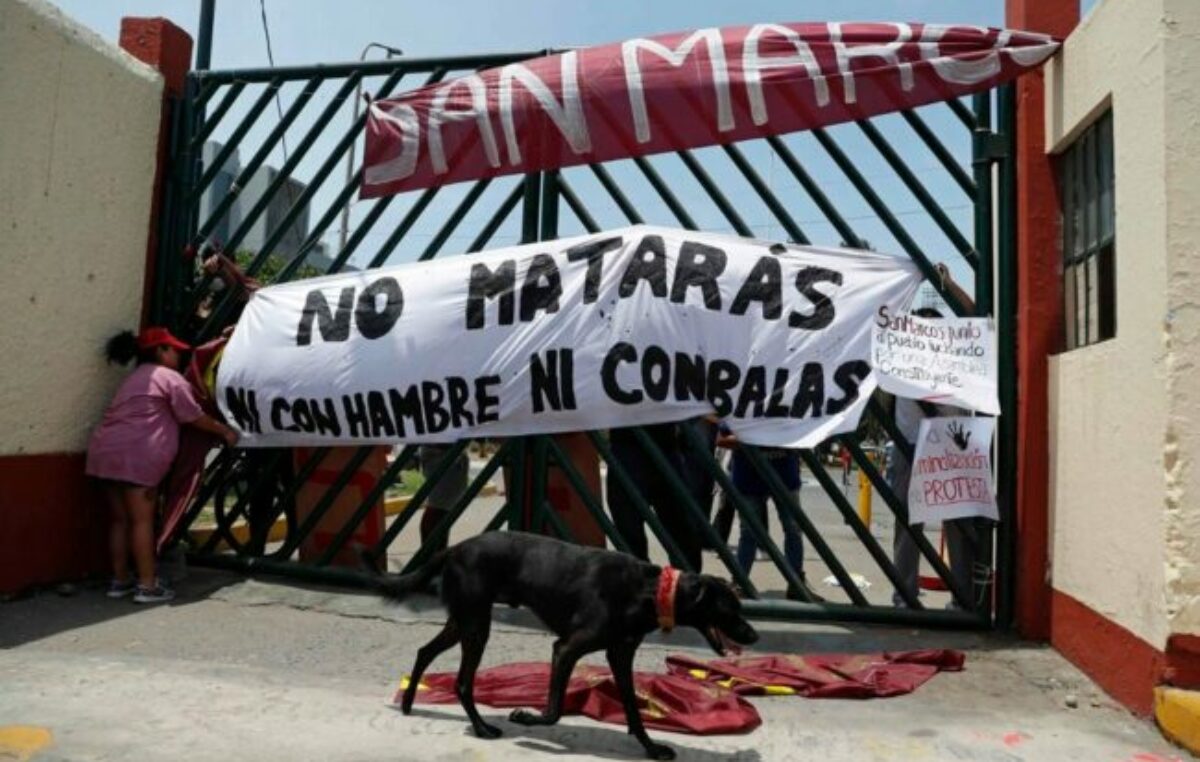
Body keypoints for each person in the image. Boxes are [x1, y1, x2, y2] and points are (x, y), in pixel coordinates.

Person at [87, 327, 239, 603]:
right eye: (174, 350)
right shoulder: (169, 377)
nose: (180, 355)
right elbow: (193, 416)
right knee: (141, 521)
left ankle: (120, 581)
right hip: (137, 457)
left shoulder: (133, 379)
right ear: (160, 351)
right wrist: (224, 430)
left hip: (104, 453)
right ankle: (147, 586)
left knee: (120, 521)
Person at [889, 263, 982, 609]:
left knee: (958, 525)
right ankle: (905, 594)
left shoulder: (957, 352)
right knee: (909, 525)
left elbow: (974, 317)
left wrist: (950, 284)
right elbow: (880, 317)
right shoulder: (900, 353)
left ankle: (962, 598)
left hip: (952, 440)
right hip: (913, 441)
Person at [717, 428, 823, 603]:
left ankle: (796, 583)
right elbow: (722, 439)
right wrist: (754, 437)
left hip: (784, 476)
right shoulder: (743, 404)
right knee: (748, 532)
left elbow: (807, 432)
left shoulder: (789, 403)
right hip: (749, 477)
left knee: (793, 529)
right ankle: (740, 582)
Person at [606, 423, 702, 571]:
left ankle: (685, 583)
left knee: (682, 527)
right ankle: (639, 582)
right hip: (626, 442)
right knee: (628, 529)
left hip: (664, 442)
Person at [418, 444, 470, 555]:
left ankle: (432, 561)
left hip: (448, 454)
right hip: (444, 453)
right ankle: (432, 561)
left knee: (439, 513)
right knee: (438, 512)